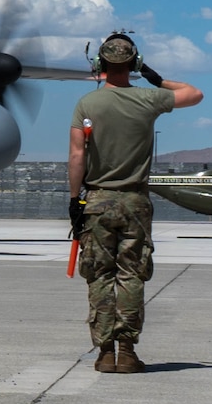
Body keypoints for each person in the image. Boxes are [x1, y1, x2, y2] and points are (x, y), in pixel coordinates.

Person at [69, 33, 204, 374]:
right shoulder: (148, 98)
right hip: (135, 203)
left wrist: (74, 200)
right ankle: (127, 352)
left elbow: (76, 154)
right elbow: (194, 93)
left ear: (99, 65)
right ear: (134, 63)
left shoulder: (87, 105)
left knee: (99, 276)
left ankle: (104, 353)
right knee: (131, 275)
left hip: (97, 201)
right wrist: (155, 78)